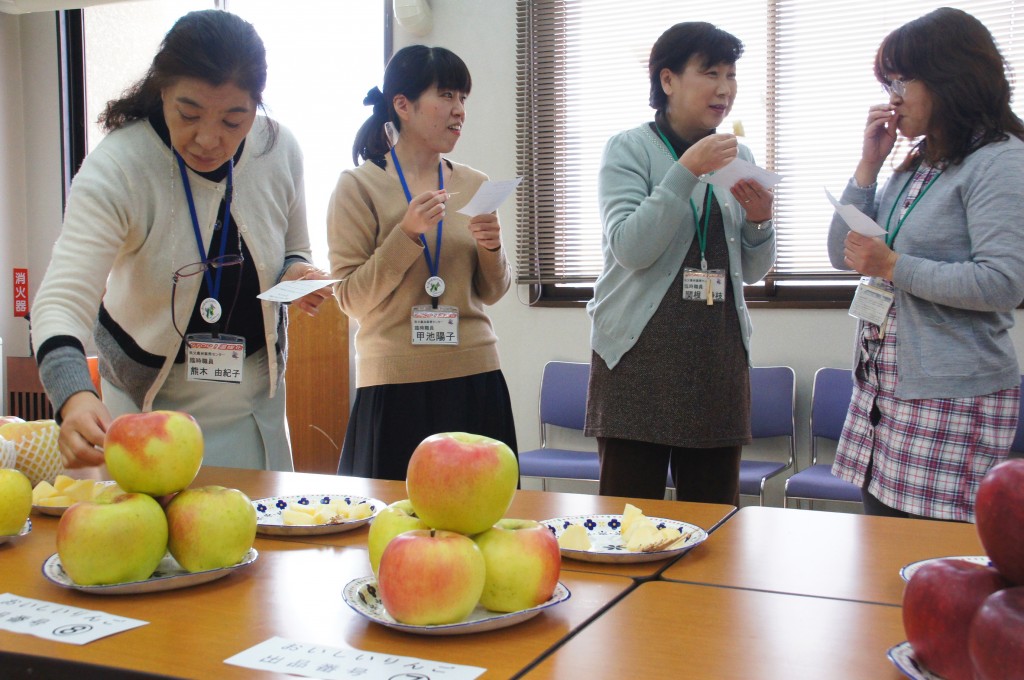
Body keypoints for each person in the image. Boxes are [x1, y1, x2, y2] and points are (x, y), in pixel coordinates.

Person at [31, 10, 331, 472]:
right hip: (145, 407)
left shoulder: (278, 149)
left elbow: (295, 249)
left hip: (254, 406)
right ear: (162, 90)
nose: (209, 139)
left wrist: (295, 273)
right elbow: (59, 303)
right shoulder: (120, 166)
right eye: (188, 114)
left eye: (234, 120)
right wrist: (73, 395)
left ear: (257, 106)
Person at [828, 7, 1024, 522]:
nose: (892, 93)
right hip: (883, 397)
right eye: (886, 79)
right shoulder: (917, 164)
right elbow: (841, 253)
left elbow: (1004, 283)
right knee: (882, 567)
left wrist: (894, 266)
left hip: (949, 405)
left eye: (902, 78)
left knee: (932, 570)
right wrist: (869, 166)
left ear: (950, 77)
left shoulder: (1000, 159)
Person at [584, 22, 776, 503]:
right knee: (628, 524)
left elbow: (751, 272)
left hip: (717, 363)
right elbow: (630, 247)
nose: (724, 88)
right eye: (710, 72)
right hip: (637, 361)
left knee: (714, 528)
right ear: (667, 80)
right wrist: (686, 169)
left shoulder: (740, 154)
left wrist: (759, 222)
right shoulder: (629, 148)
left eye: (731, 75)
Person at [328, 45, 517, 481]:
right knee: (395, 528)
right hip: (395, 385)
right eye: (447, 96)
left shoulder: (475, 184)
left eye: (463, 99)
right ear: (403, 105)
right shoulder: (358, 186)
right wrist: (407, 235)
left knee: (480, 527)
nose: (459, 111)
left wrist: (492, 250)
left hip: (474, 375)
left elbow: (492, 291)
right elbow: (351, 299)